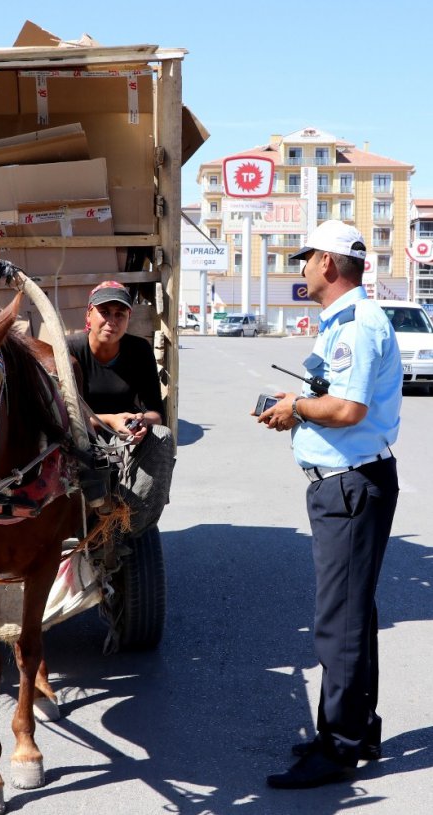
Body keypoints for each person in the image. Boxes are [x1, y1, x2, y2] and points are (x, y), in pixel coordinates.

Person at [255, 220, 402, 789]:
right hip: (351, 479)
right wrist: (295, 408)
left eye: (308, 257)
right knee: (354, 613)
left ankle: (338, 748)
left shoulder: (358, 325)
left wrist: (296, 407)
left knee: (337, 622)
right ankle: (356, 729)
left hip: (348, 484)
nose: (303, 267)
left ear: (332, 264)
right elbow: (333, 400)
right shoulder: (348, 320)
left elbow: (346, 410)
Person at [67, 280, 174, 535]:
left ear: (128, 318)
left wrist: (140, 422)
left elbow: (156, 413)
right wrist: (110, 420)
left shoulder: (139, 350)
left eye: (119, 314)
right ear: (89, 315)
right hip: (78, 433)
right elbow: (64, 411)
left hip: (123, 437)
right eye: (104, 312)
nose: (111, 321)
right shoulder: (70, 349)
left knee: (163, 437)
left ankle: (128, 525)